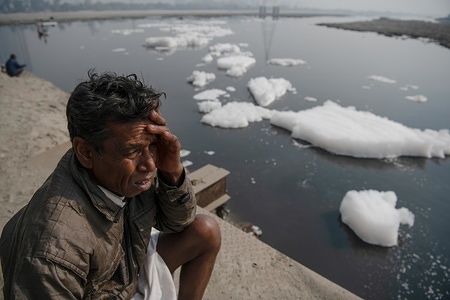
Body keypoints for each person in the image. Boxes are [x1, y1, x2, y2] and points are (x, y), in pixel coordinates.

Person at [0, 71, 221, 299]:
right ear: (85, 152)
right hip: (103, 291)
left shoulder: (116, 167)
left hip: (124, 272)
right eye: (132, 150)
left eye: (153, 144)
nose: (150, 163)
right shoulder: (54, 252)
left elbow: (177, 222)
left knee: (205, 231)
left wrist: (172, 172)